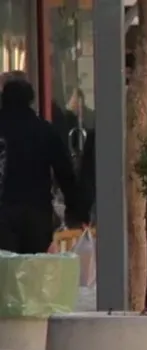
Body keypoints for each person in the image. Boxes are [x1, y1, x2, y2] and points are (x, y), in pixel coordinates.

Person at [0, 79, 85, 253]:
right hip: (36, 212)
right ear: (30, 100)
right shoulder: (44, 130)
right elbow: (64, 171)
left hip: (4, 210)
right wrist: (75, 209)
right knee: (33, 267)